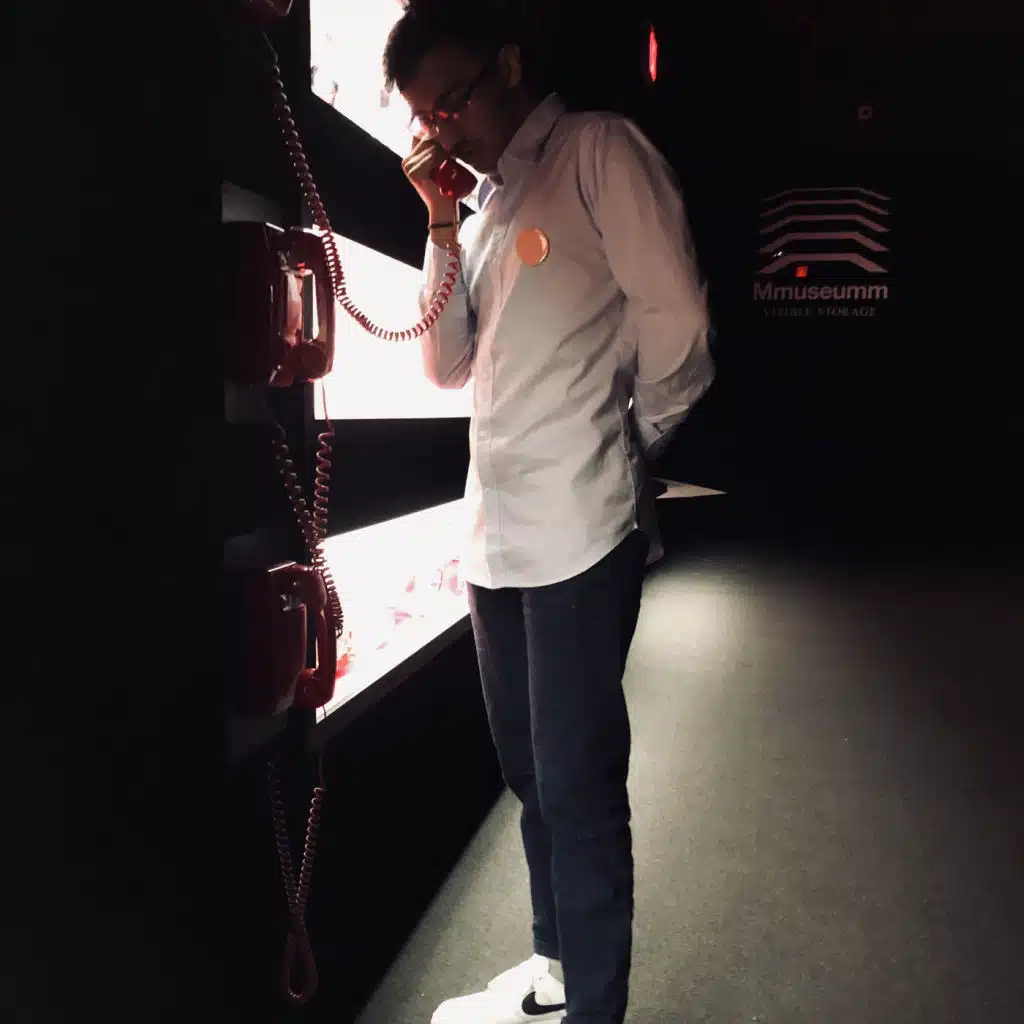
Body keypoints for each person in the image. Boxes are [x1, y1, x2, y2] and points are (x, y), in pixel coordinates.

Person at [383, 3, 715, 1022]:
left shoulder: (597, 151)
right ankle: (556, 972)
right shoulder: (482, 207)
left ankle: (594, 1009)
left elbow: (679, 327)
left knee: (576, 787)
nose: (442, 130)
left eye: (451, 102)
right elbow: (443, 363)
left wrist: (624, 445)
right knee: (530, 777)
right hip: (496, 539)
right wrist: (439, 217)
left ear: (510, 63)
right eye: (425, 118)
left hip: (578, 531)